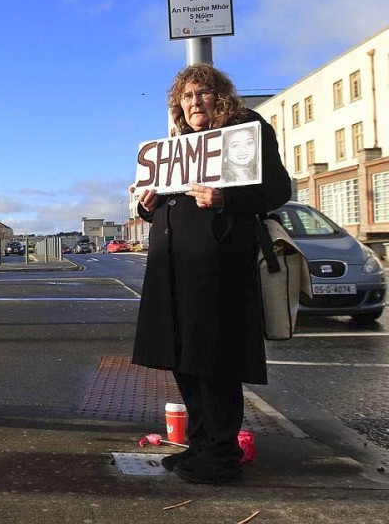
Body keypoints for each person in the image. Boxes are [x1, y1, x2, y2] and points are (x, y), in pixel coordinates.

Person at [132, 64, 291, 484]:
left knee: (214, 359)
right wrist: (148, 207)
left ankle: (221, 455)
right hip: (174, 267)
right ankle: (199, 447)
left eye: (202, 93)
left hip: (219, 267)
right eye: (186, 96)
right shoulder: (179, 142)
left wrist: (226, 197)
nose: (194, 102)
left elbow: (277, 190)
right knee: (184, 359)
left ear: (219, 96)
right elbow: (169, 202)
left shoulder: (246, 129)